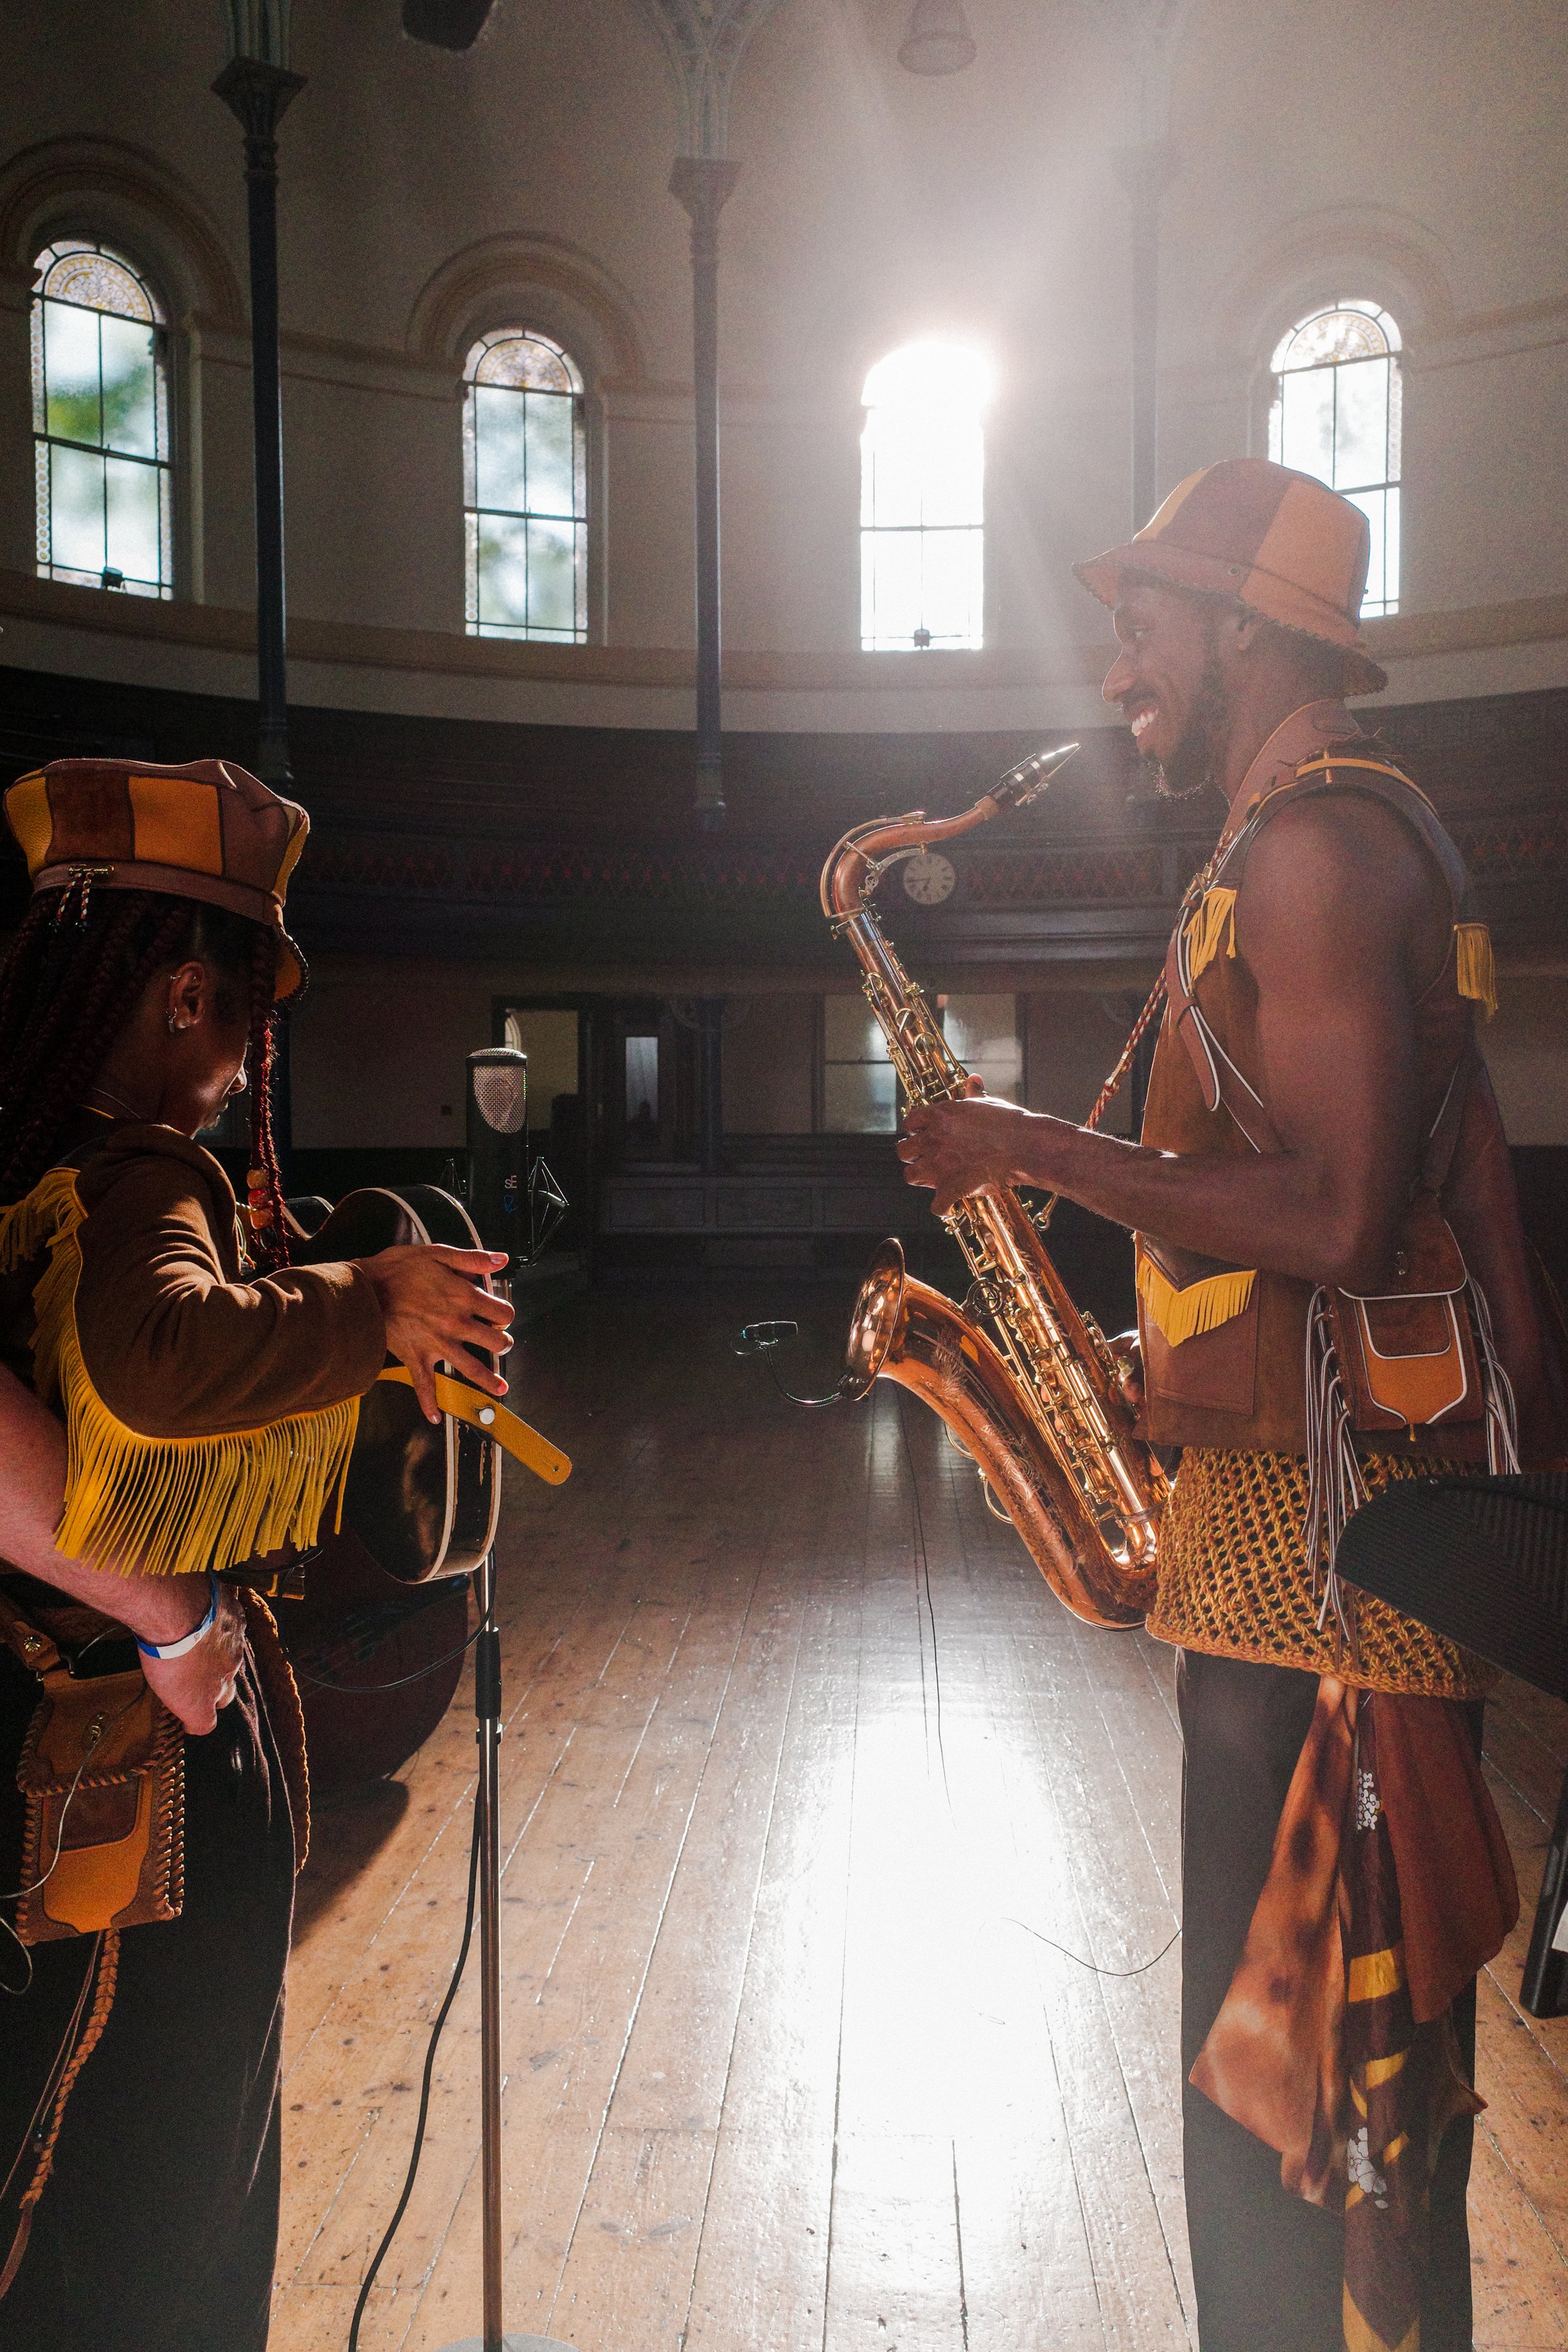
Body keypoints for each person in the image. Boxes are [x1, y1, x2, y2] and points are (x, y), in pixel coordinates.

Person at [898, 459, 1563, 2352]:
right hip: (1314, 1516)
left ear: (1249, 630)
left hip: (1330, 1563)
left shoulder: (1313, 848)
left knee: (1292, 2081)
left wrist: (1031, 1149)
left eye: (1145, 620)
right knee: (1316, 2077)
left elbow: (1348, 1216)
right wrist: (1161, 1372)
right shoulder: (1334, 838)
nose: (1121, 662)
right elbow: (1479, 1213)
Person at [0, 755, 514, 2350]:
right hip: (122, 1768)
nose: (236, 1068)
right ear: (174, 997)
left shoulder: (21, 1151)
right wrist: (375, 1303)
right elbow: (157, 1358)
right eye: (239, 1021)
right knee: (162, 2201)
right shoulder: (136, 1170)